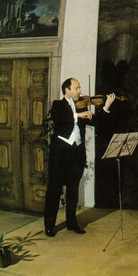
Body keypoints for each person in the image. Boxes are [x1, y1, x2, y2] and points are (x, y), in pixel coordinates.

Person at [43, 77, 115, 237]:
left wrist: (106, 107)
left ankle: (72, 223)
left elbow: (97, 122)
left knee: (73, 190)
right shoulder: (58, 105)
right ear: (67, 90)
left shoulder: (80, 106)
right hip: (60, 155)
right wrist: (78, 115)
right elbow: (60, 120)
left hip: (76, 155)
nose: (80, 91)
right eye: (76, 88)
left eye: (80, 88)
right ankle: (49, 225)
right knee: (54, 190)